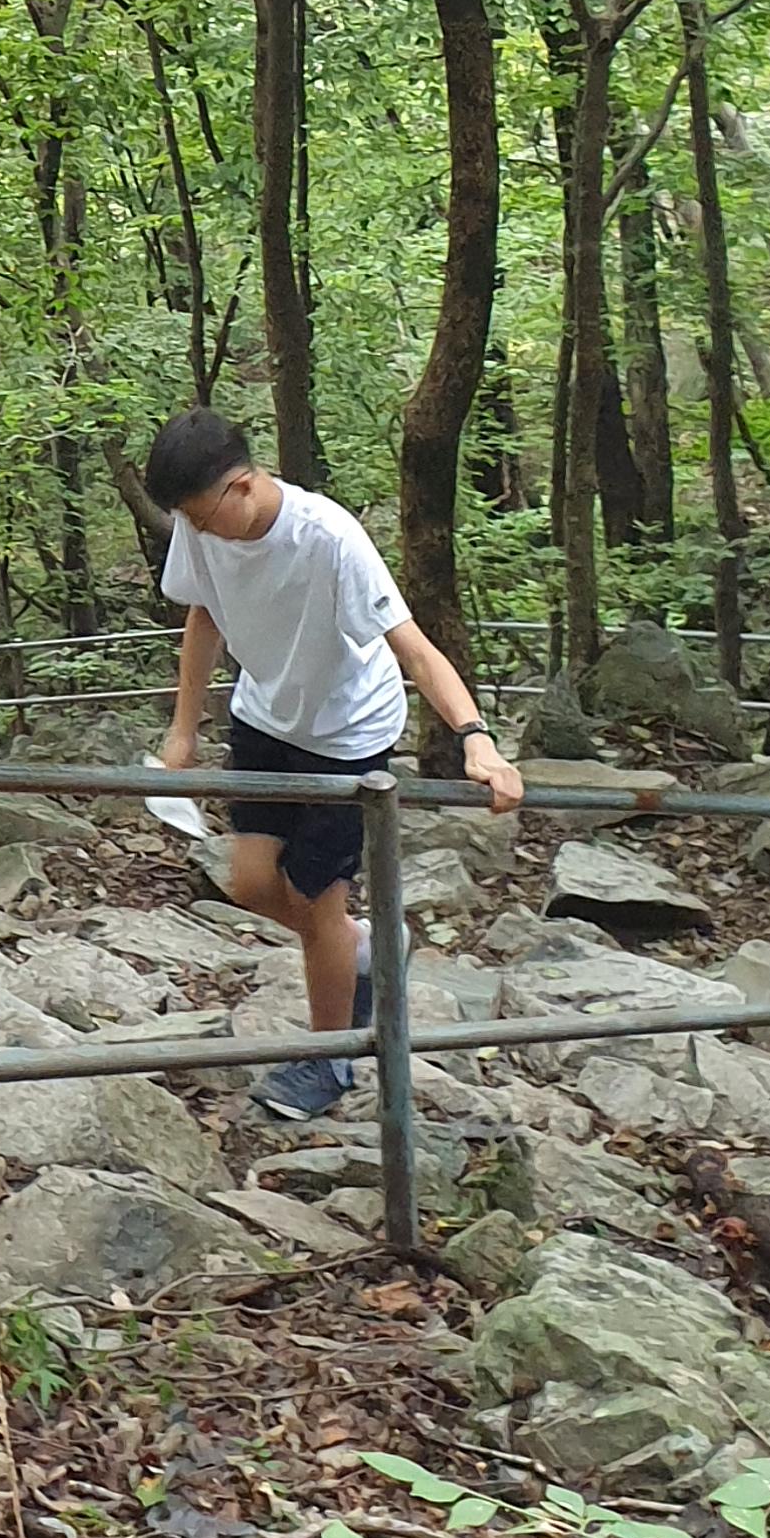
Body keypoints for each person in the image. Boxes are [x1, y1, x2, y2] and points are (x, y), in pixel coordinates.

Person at [144, 405, 523, 1121]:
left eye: (200, 515)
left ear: (245, 486)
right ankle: (366, 946)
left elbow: (412, 646)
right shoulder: (202, 529)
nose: (194, 532)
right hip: (264, 713)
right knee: (251, 882)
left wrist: (477, 737)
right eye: (185, 520)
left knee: (319, 906)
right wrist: (182, 731)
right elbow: (205, 615)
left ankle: (330, 1061)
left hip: (347, 734)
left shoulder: (328, 539)